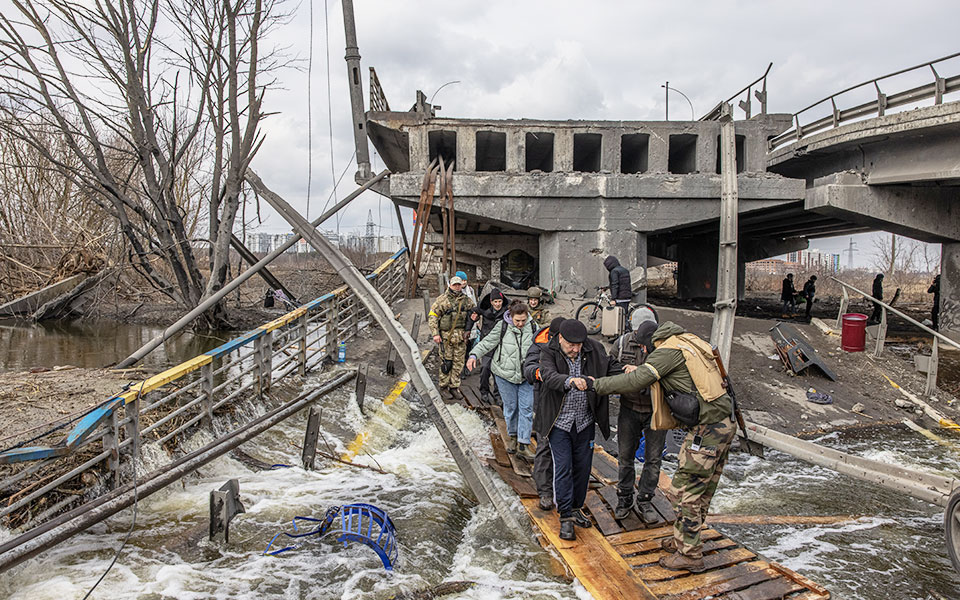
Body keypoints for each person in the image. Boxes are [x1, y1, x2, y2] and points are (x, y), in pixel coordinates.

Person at [592, 321, 736, 573]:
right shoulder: (689, 340)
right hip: (725, 423)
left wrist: (597, 385)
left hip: (707, 428)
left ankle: (690, 555)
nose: (646, 352)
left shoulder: (666, 351)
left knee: (683, 491)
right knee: (702, 490)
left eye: (647, 348)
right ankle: (685, 540)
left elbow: (635, 380)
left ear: (652, 343)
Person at [537, 319, 621, 541]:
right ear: (561, 339)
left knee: (583, 468)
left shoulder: (594, 348)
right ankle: (565, 517)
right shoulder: (548, 351)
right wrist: (571, 381)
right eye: (571, 345)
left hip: (584, 421)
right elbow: (548, 376)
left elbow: (609, 366)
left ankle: (575, 507)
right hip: (560, 422)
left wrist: (627, 369)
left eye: (579, 345)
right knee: (563, 467)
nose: (576, 349)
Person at [612, 319, 667, 523]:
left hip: (656, 411)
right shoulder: (622, 344)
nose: (644, 348)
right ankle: (624, 498)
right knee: (625, 457)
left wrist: (641, 374)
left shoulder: (664, 349)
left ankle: (645, 500)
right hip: (629, 408)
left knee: (653, 460)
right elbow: (612, 367)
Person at [467, 301, 537, 459]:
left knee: (526, 409)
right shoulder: (502, 327)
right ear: (510, 317)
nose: (520, 324)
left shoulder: (533, 327)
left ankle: (523, 444)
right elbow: (487, 343)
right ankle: (512, 438)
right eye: (517, 320)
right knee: (511, 408)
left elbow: (544, 345)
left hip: (526, 376)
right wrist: (473, 355)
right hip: (504, 375)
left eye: (523, 321)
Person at [523, 316, 566, 510]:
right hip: (545, 401)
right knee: (544, 445)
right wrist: (542, 373)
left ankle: (564, 490)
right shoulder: (540, 344)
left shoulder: (572, 344)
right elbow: (529, 367)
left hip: (568, 404)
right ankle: (545, 491)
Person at [428, 272, 475, 401]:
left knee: (458, 364)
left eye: (459, 285)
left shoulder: (466, 300)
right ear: (450, 285)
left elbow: (474, 312)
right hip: (446, 339)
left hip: (461, 338)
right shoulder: (442, 300)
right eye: (455, 285)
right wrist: (435, 334)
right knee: (446, 363)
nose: (457, 287)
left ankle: (454, 387)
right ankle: (443, 387)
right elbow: (433, 316)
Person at [471, 288, 508, 403]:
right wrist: (470, 326)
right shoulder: (483, 309)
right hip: (486, 343)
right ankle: (484, 391)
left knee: (498, 371)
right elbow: (471, 313)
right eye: (495, 302)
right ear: (491, 302)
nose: (497, 304)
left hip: (500, 345)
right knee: (485, 368)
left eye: (499, 301)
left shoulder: (507, 311)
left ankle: (498, 395)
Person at [604, 255, 632, 331]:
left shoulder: (614, 271)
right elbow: (622, 283)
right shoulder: (624, 270)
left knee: (621, 317)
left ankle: (625, 333)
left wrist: (613, 299)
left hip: (620, 297)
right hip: (627, 295)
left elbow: (615, 284)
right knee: (624, 314)